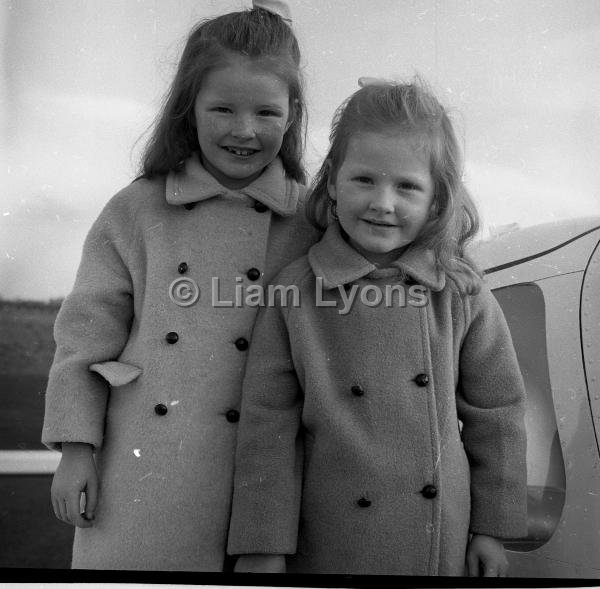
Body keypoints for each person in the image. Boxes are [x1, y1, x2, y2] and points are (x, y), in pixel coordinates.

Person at [42, 0, 319, 571]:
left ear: (293, 115)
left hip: (266, 490)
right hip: (142, 477)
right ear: (187, 109)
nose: (245, 131)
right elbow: (85, 340)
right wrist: (76, 449)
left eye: (267, 112)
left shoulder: (315, 220)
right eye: (222, 108)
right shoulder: (134, 211)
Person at [227, 78, 528, 576]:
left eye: (407, 186)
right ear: (332, 185)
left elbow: (497, 415)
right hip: (329, 540)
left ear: (437, 201)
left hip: (440, 544)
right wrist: (262, 544)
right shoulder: (294, 292)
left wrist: (491, 529)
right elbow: (268, 427)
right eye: (364, 179)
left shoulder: (461, 291)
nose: (382, 202)